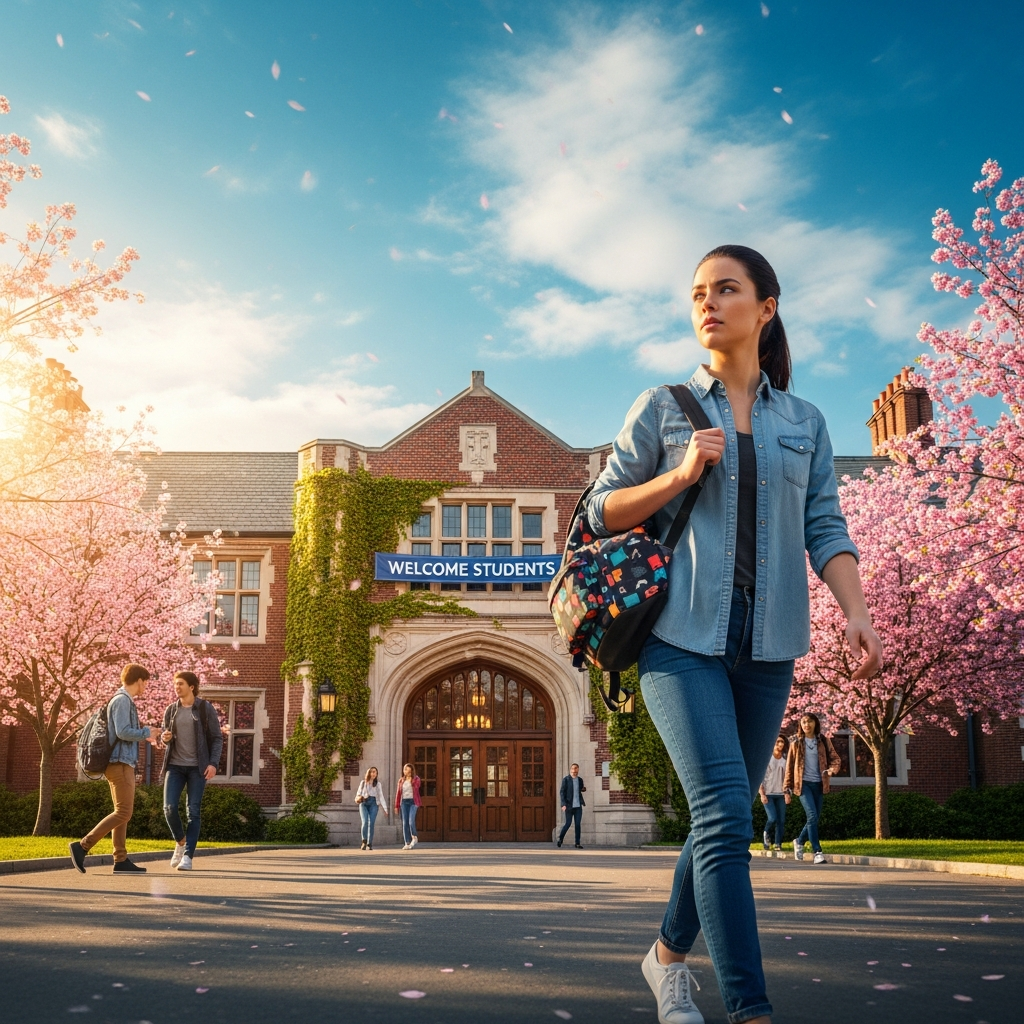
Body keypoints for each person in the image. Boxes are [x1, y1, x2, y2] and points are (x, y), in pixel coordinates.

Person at [587, 244, 882, 1024]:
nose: (707, 304)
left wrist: (855, 608)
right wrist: (679, 475)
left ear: (766, 307)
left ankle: (666, 959)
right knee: (722, 814)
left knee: (723, 815)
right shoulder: (662, 406)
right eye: (696, 294)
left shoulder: (805, 422)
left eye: (726, 289)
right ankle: (751, 1009)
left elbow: (826, 524)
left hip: (769, 643)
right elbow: (600, 512)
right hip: (679, 637)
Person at [69, 664, 161, 874]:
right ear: (138, 680)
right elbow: (122, 732)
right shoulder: (121, 700)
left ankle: (120, 859)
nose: (146, 686)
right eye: (145, 682)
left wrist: (144, 733)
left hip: (120, 762)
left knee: (122, 812)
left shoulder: (122, 700)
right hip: (119, 763)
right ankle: (82, 846)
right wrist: (145, 732)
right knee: (124, 812)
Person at [159, 671, 224, 872]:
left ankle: (188, 856)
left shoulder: (205, 709)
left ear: (191, 687)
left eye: (180, 684)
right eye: (175, 684)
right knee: (169, 808)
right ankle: (180, 842)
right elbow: (164, 738)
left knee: (193, 811)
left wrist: (213, 763)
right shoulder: (171, 710)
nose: (176, 687)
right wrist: (165, 738)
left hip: (198, 768)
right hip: (175, 766)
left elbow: (217, 738)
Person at [784, 712, 842, 865]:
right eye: (803, 722)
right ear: (800, 725)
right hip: (803, 785)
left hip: (819, 784)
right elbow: (789, 766)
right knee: (812, 816)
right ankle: (817, 851)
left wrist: (831, 770)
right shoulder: (796, 743)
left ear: (815, 723)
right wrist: (786, 789)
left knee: (814, 818)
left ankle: (799, 841)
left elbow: (835, 758)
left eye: (809, 722)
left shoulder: (823, 741)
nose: (806, 725)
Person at [759, 735, 790, 852]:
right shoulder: (767, 759)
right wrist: (762, 794)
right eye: (777, 742)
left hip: (781, 794)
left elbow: (787, 778)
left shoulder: (785, 760)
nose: (780, 744)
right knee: (772, 818)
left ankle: (778, 844)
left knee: (781, 821)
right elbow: (760, 777)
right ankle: (766, 834)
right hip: (768, 793)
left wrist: (787, 793)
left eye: (782, 742)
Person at [355, 766, 388, 850]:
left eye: (375, 772)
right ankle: (364, 841)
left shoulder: (378, 784)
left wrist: (385, 809)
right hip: (364, 803)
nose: (374, 773)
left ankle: (370, 843)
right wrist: (360, 797)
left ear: (377, 774)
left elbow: (381, 796)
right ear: (369, 773)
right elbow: (358, 794)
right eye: (372, 772)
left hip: (374, 804)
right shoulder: (363, 783)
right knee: (365, 821)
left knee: (371, 823)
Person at [557, 763, 586, 848]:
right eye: (573, 769)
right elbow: (562, 792)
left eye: (576, 769)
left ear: (578, 770)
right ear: (570, 770)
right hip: (569, 806)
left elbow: (580, 789)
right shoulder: (566, 780)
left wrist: (583, 789)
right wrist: (563, 804)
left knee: (577, 824)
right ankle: (560, 839)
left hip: (578, 806)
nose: (574, 771)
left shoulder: (580, 780)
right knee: (568, 823)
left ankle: (577, 843)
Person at [394, 762, 421, 850]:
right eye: (404, 769)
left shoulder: (416, 779)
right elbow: (398, 794)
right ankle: (407, 842)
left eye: (407, 769)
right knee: (405, 822)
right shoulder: (401, 780)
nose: (405, 771)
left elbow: (417, 787)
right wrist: (396, 806)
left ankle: (414, 836)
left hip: (413, 802)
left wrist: (411, 779)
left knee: (410, 821)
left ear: (411, 770)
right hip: (404, 802)